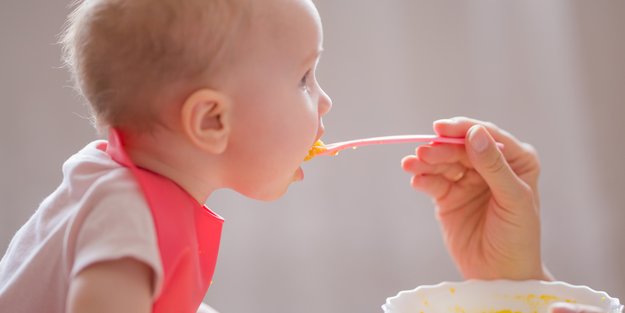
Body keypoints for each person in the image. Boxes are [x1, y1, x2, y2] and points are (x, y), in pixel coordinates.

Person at [0, 0, 593, 312]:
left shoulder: (130, 190)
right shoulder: (122, 207)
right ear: (211, 120)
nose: (325, 99)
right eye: (305, 78)